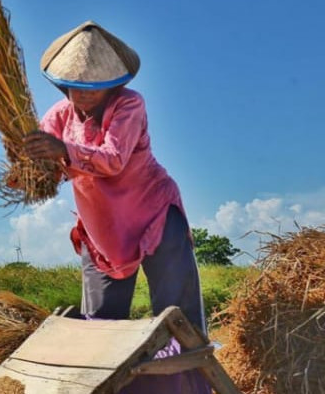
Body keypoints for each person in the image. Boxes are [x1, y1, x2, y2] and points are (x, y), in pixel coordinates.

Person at [22, 21, 211, 393]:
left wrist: (63, 151)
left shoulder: (129, 104)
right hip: (102, 229)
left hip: (153, 215)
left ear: (111, 86)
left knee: (177, 317)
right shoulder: (59, 116)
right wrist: (26, 164)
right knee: (101, 323)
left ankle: (188, 389)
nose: (81, 97)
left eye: (91, 90)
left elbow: (112, 159)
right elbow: (43, 160)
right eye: (74, 89)